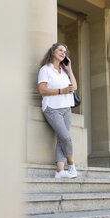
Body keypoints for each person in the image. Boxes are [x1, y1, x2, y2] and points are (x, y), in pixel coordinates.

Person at [37, 42, 78, 178]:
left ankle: (60, 171)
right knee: (66, 137)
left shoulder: (64, 71)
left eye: (65, 52)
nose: (63, 53)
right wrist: (62, 90)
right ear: (53, 51)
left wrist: (70, 69)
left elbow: (75, 87)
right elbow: (42, 90)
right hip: (52, 108)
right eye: (60, 50)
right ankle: (71, 165)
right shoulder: (45, 69)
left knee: (62, 138)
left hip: (66, 108)